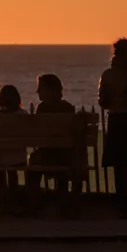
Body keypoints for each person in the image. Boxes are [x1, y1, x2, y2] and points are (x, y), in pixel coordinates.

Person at [99, 38, 127, 216]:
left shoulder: (108, 74)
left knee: (120, 164)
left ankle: (123, 200)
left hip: (117, 120)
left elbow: (103, 102)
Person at [28, 74, 80, 207]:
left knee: (33, 160)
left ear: (50, 90)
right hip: (65, 157)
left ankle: (34, 201)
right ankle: (63, 200)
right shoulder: (68, 107)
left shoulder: (42, 108)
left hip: (46, 157)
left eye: (41, 88)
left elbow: (37, 135)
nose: (37, 91)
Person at [0, 85, 28, 202]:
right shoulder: (23, 115)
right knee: (12, 170)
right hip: (19, 158)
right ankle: (13, 196)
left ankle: (1, 197)